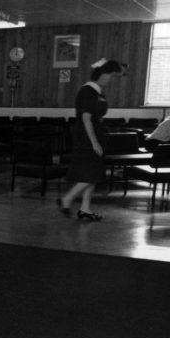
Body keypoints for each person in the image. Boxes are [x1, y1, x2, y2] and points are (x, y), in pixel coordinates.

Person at [57, 58, 123, 222]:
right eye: (112, 76)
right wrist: (94, 142)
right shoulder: (88, 91)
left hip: (95, 132)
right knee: (92, 173)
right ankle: (67, 199)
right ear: (103, 74)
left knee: (93, 173)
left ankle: (85, 209)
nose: (112, 80)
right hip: (87, 135)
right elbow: (86, 118)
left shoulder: (98, 92)